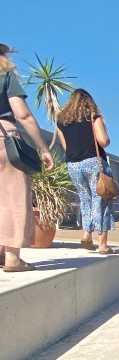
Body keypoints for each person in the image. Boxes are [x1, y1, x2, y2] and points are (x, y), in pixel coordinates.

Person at [0, 44, 55, 272]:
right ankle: (12, 258)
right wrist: (44, 148)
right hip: (4, 139)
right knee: (13, 197)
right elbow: (23, 115)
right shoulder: (5, 76)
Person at [55, 89, 116, 255]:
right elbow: (103, 141)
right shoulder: (93, 117)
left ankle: (86, 234)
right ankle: (102, 245)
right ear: (89, 102)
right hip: (93, 162)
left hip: (73, 165)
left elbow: (66, 147)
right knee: (101, 199)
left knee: (85, 199)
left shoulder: (61, 122)